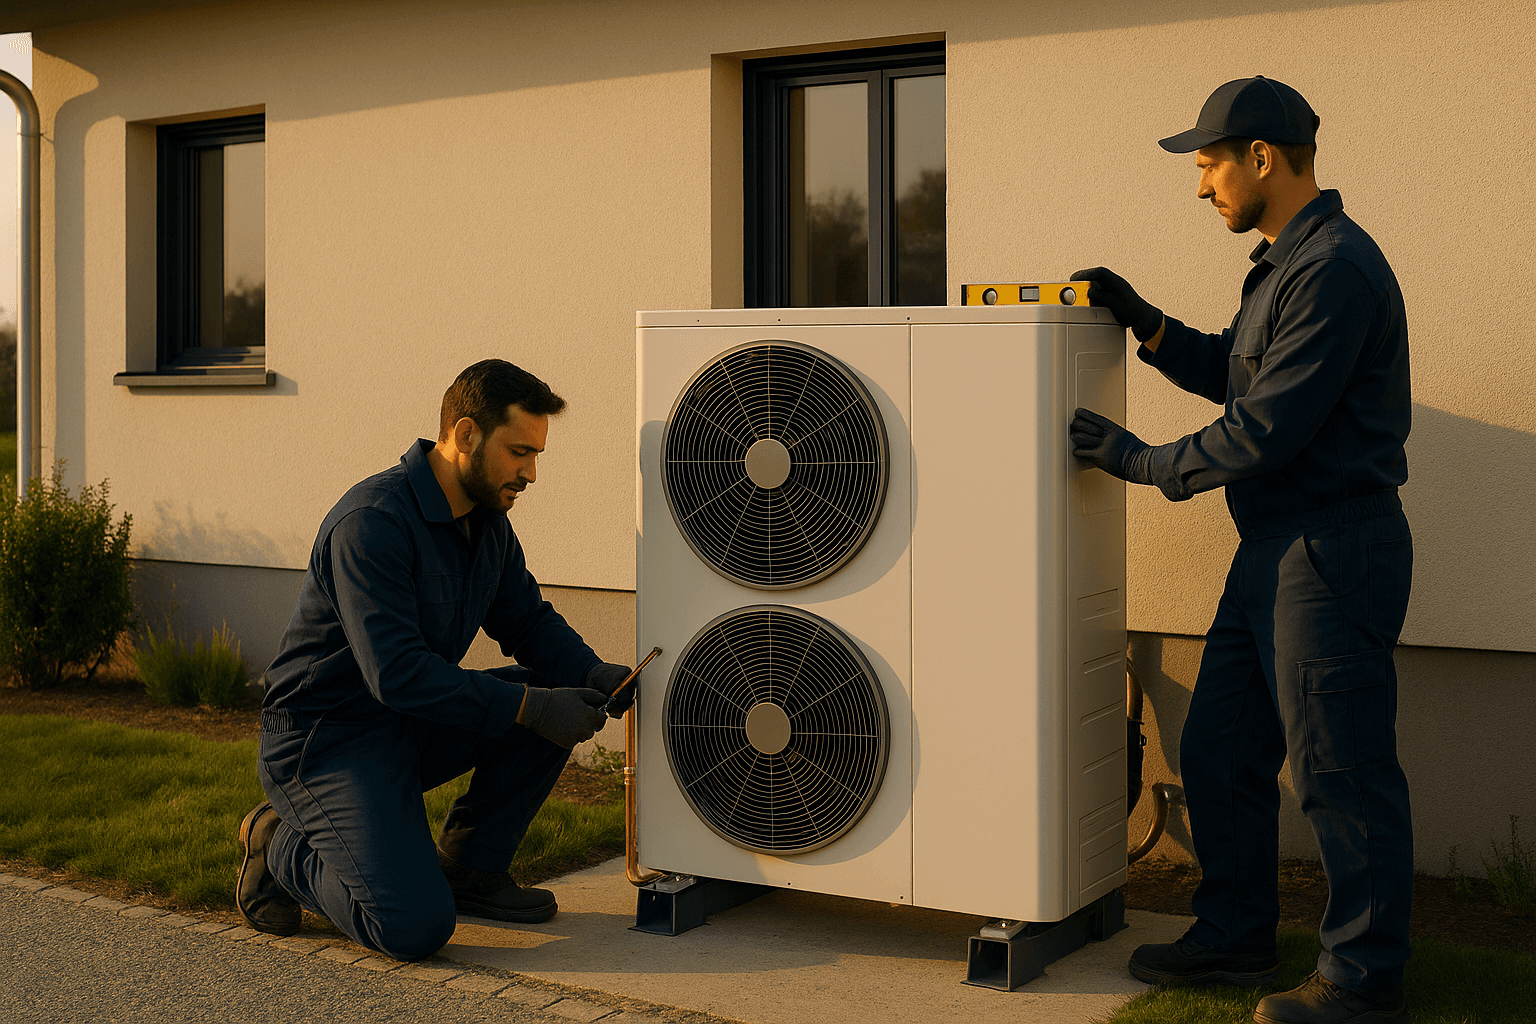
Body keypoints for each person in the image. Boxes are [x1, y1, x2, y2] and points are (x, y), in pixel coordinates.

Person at [1068, 77, 1414, 1024]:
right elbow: (1238, 369)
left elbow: (1264, 428)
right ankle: (1235, 932)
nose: (1200, 184)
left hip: (1332, 548)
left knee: (1341, 771)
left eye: (1211, 163)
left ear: (1263, 157)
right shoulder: (1285, 264)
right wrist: (1146, 322)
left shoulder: (1336, 269)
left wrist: (1137, 460)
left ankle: (1363, 982)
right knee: (1220, 746)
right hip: (1273, 548)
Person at [235, 359, 640, 963]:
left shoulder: (487, 522)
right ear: (467, 434)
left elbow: (526, 621)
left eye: (536, 455)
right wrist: (530, 707)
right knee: (413, 926)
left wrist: (591, 673)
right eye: (519, 452)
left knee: (550, 691)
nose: (531, 473)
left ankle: (472, 869)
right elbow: (396, 674)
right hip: (326, 742)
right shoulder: (372, 523)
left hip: (407, 723)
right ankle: (279, 847)